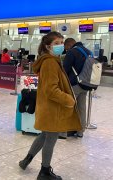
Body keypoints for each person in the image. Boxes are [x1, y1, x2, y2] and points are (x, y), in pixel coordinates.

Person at [18, 32, 81, 180]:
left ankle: (26, 160)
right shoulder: (50, 62)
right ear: (48, 46)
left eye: (61, 42)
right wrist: (69, 100)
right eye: (57, 43)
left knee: (44, 135)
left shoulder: (50, 60)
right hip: (53, 108)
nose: (60, 45)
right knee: (51, 138)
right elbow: (51, 90)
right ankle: (44, 171)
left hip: (47, 107)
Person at [63, 38, 91, 138]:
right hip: (86, 84)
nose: (65, 50)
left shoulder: (72, 52)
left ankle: (64, 132)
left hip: (75, 84)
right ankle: (80, 131)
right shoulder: (88, 51)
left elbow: (65, 69)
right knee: (82, 108)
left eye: (65, 48)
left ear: (69, 44)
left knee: (68, 106)